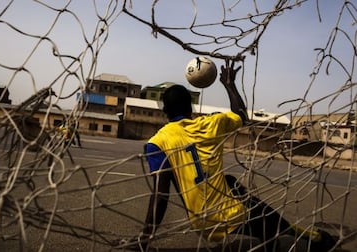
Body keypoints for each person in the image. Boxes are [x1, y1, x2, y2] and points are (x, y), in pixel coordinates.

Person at [116, 60, 337, 251]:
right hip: (230, 214)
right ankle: (317, 240)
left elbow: (160, 195)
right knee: (277, 222)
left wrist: (144, 239)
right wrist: (229, 84)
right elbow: (241, 114)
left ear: (165, 111)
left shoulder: (157, 142)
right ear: (191, 108)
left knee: (231, 183)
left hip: (202, 220)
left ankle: (271, 239)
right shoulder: (210, 124)